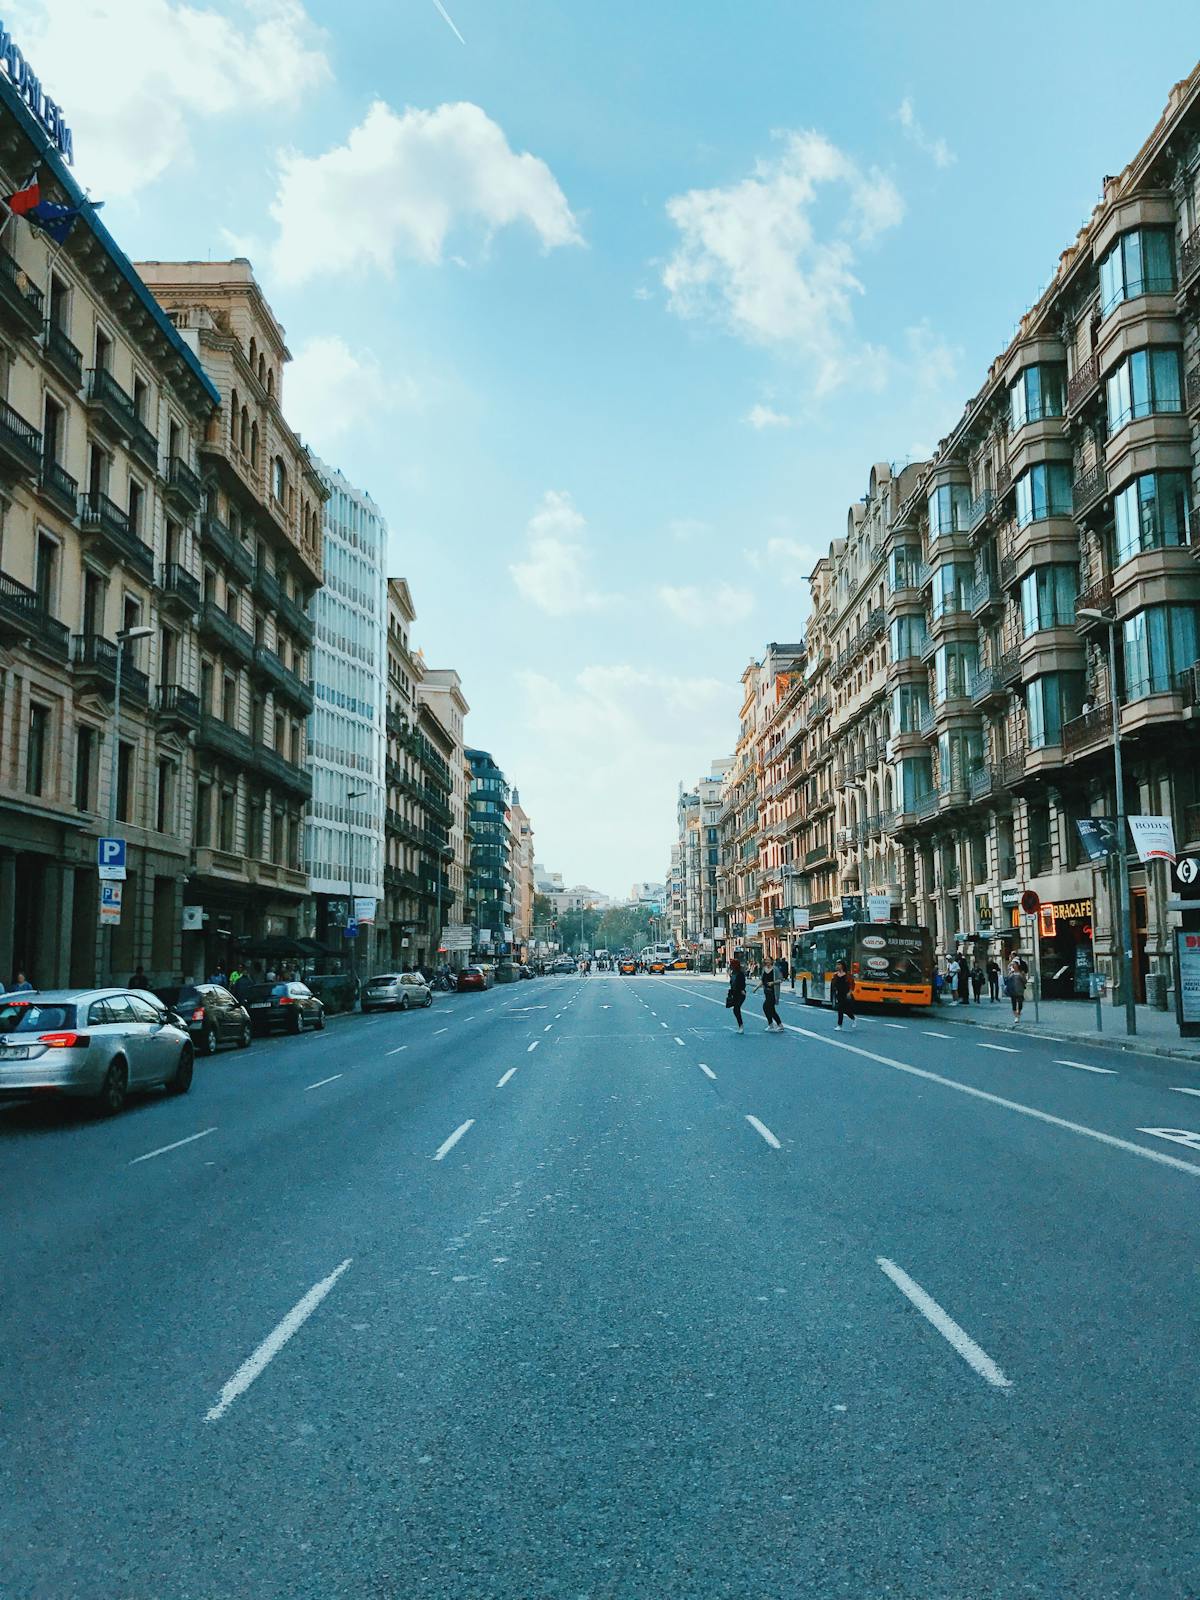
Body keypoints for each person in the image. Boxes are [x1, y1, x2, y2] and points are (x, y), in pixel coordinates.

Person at [831, 959, 856, 1029]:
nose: (837, 966)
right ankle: (841, 1024)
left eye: (839, 964)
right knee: (840, 1009)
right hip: (839, 994)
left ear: (843, 966)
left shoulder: (848, 975)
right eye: (837, 964)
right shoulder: (835, 975)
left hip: (846, 994)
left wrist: (850, 992)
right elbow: (833, 985)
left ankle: (852, 1019)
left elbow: (852, 984)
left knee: (844, 1009)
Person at [760, 963, 784, 1032]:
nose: (767, 961)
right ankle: (778, 1025)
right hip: (766, 992)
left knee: (766, 1007)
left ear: (771, 961)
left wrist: (772, 983)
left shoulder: (775, 969)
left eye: (768, 960)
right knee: (771, 1009)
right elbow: (762, 980)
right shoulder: (764, 969)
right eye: (766, 960)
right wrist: (756, 988)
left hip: (773, 992)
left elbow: (781, 979)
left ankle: (772, 1024)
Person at [726, 957, 747, 1034]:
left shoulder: (740, 973)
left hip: (740, 993)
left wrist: (742, 989)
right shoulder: (733, 973)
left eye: (731, 965)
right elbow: (732, 984)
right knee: (735, 1010)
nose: (730, 966)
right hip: (734, 993)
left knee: (736, 1009)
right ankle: (740, 1026)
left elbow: (743, 983)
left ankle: (741, 1026)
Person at [1007, 959, 1027, 1025]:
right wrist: (1010, 974)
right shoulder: (1011, 973)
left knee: (1020, 1004)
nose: (1013, 966)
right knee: (1014, 1005)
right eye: (1012, 964)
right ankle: (1016, 1017)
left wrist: (1022, 976)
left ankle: (1018, 1013)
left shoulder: (1021, 973)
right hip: (1013, 991)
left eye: (1014, 964)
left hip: (1020, 991)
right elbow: (1008, 980)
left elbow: (1025, 981)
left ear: (1017, 965)